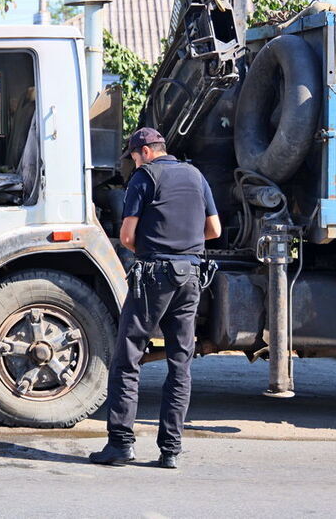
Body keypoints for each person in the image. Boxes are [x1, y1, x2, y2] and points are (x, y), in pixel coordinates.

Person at [90, 127, 222, 469]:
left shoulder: (144, 177)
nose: (133, 162)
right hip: (191, 275)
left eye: (133, 156)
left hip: (154, 275)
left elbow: (127, 235)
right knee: (180, 363)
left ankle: (120, 444)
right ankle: (171, 451)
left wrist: (151, 249)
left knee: (128, 358)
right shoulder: (195, 175)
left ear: (145, 151)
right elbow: (214, 231)